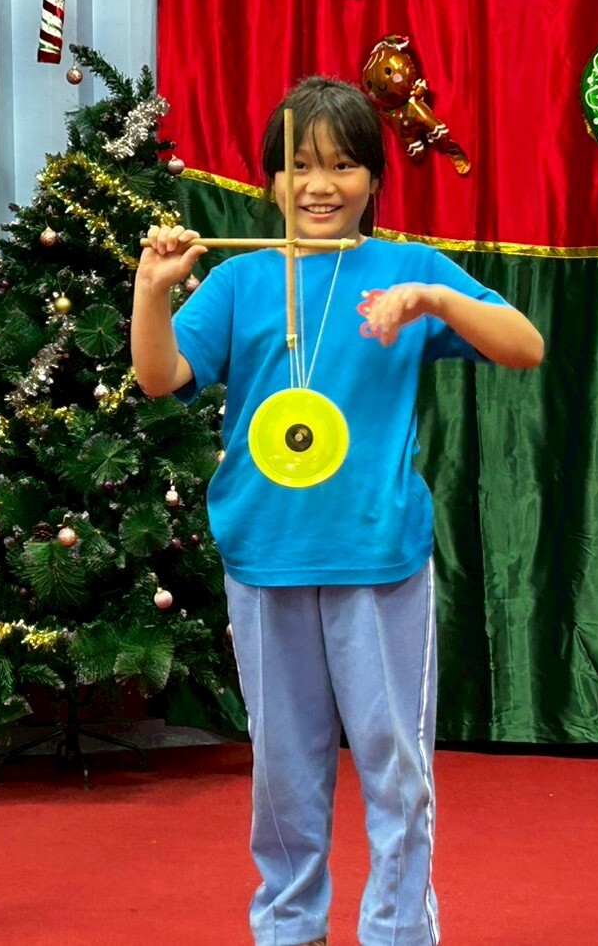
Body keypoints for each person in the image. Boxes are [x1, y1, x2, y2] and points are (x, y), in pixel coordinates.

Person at [131, 76, 544, 946]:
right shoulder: (240, 280)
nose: (319, 186)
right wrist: (153, 290)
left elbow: (525, 347)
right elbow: (160, 377)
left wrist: (435, 300)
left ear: (373, 179)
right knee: (283, 771)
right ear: (269, 181)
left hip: (378, 559)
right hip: (263, 555)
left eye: (343, 165)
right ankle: (289, 927)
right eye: (299, 166)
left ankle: (397, 930)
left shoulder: (405, 271)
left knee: (395, 766)